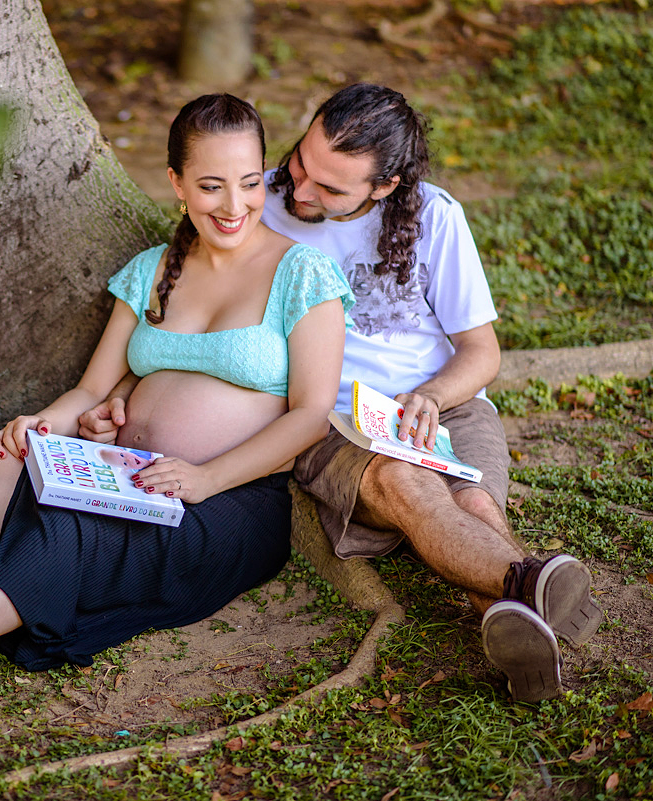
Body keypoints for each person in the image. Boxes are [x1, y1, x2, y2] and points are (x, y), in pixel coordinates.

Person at [0, 93, 354, 707]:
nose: (233, 206)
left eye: (250, 183)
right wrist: (43, 423)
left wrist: (205, 477)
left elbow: (309, 414)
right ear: (176, 183)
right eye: (211, 185)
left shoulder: (302, 274)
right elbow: (91, 389)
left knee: (67, 527)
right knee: (15, 459)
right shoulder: (152, 270)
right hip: (126, 476)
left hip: (225, 503)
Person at [79, 84, 603, 704]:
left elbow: (481, 351)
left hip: (444, 402)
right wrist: (130, 386)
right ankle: (531, 580)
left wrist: (433, 395)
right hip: (334, 414)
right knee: (406, 485)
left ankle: (517, 615)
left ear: (384, 187)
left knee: (477, 503)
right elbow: (182, 303)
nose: (298, 192)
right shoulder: (250, 196)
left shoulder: (436, 217)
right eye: (302, 162)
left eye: (330, 189)